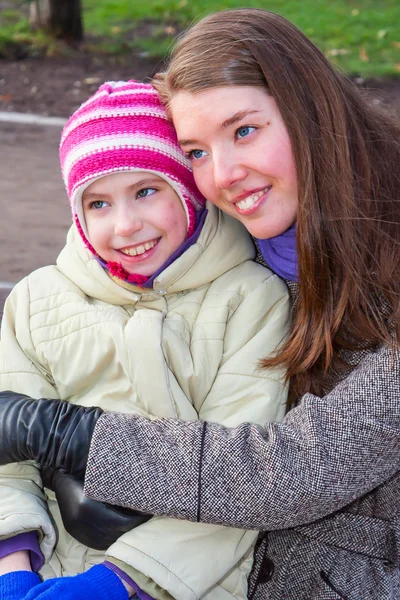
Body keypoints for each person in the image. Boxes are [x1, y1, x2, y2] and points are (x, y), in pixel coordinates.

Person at [0, 7, 399, 600]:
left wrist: (65, 435)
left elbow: (289, 471)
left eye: (244, 130)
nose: (224, 175)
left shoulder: (277, 281)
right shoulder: (240, 240)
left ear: (307, 109)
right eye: (195, 152)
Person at [0, 79, 290, 600]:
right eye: (99, 204)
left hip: (190, 580)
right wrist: (13, 567)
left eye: (146, 191)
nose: (126, 225)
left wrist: (119, 583)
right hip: (45, 572)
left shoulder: (252, 299)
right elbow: (7, 459)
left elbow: (245, 476)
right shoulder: (36, 301)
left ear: (187, 191)